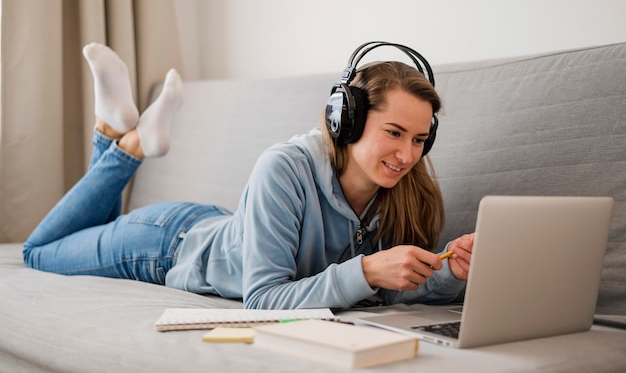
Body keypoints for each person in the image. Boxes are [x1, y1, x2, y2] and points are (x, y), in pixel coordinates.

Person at [23, 42, 474, 310]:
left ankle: (112, 125)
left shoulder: (406, 190)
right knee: (38, 252)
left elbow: (385, 293)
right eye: (394, 133)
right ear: (347, 121)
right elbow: (262, 299)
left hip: (220, 227)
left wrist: (448, 271)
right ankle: (128, 145)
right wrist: (368, 269)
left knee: (84, 231)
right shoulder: (284, 167)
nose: (407, 154)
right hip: (164, 246)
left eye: (419, 139)